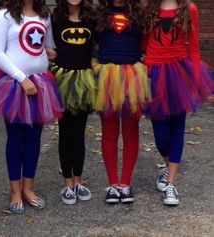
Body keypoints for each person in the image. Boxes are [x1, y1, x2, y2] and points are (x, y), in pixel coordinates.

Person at [0, 0, 62, 213]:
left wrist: (53, 53)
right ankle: (14, 191)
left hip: (41, 83)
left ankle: (28, 188)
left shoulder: (43, 14)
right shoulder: (5, 15)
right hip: (14, 86)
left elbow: (48, 46)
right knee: (16, 138)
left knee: (34, 138)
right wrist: (22, 78)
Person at [143, 0, 214, 205]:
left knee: (177, 127)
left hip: (178, 74)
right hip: (155, 74)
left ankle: (171, 184)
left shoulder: (189, 9)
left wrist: (196, 80)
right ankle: (168, 165)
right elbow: (145, 42)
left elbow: (193, 46)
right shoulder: (151, 9)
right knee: (160, 133)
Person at [93, 0, 150, 204]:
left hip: (133, 77)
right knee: (108, 131)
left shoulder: (140, 14)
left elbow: (146, 43)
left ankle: (125, 183)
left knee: (130, 130)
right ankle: (112, 184)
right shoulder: (98, 14)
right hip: (107, 76)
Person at [51, 0, 97, 205]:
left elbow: (98, 46)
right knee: (65, 132)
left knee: (79, 134)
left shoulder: (91, 19)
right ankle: (67, 183)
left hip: (84, 81)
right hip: (62, 79)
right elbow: (46, 46)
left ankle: (78, 180)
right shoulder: (55, 19)